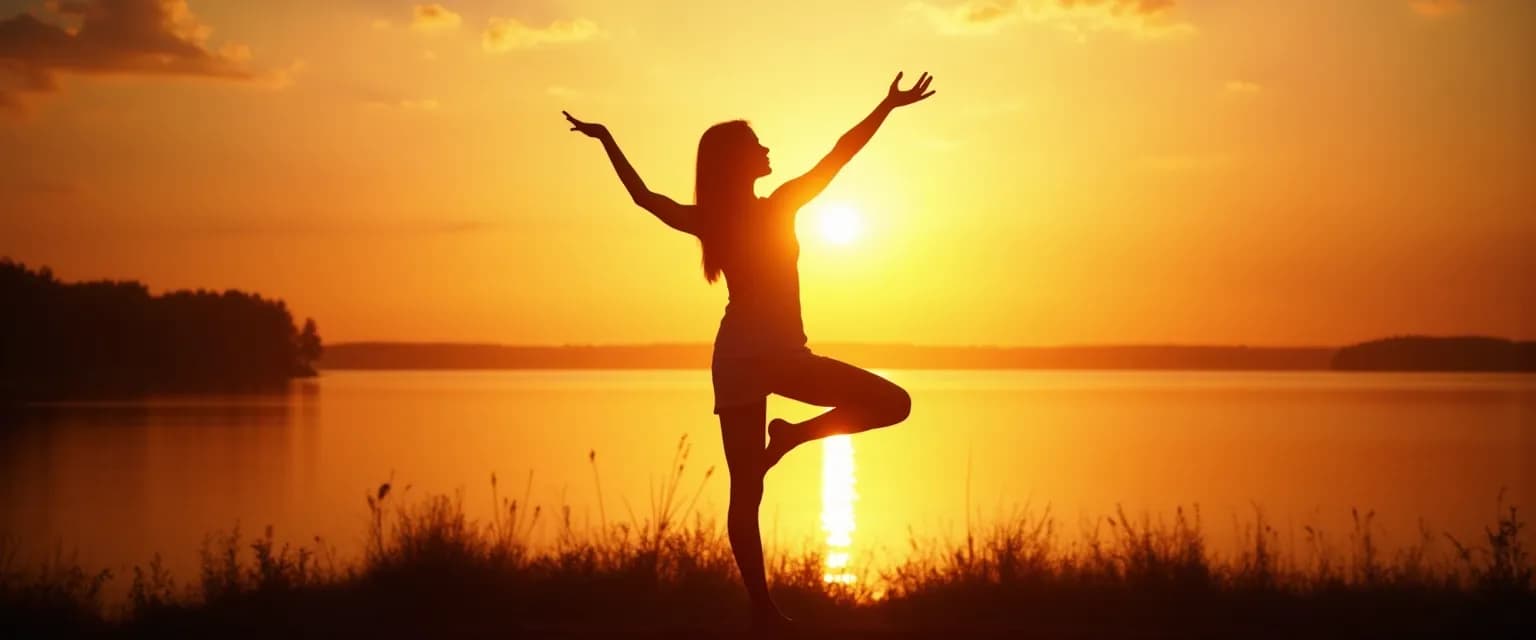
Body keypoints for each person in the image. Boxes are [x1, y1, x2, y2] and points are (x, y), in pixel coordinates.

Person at [563, 71, 934, 630]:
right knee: (887, 407)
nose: (767, 150)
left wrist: (886, 106)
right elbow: (838, 155)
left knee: (750, 486)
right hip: (769, 357)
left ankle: (763, 598)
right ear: (736, 161)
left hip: (742, 356)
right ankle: (765, 595)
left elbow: (646, 198)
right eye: (756, 145)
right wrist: (605, 137)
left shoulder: (735, 215)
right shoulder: (773, 207)